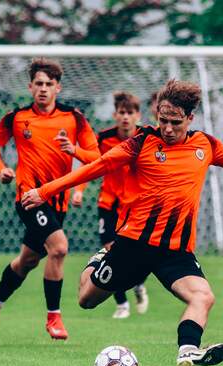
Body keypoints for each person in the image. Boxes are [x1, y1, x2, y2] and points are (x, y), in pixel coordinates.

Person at [22, 79, 223, 366]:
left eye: (175, 122)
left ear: (190, 118)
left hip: (175, 251)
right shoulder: (140, 143)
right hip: (134, 246)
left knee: (203, 296)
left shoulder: (205, 145)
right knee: (86, 299)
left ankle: (188, 351)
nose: (167, 128)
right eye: (162, 120)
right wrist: (44, 192)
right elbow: (95, 167)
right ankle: (100, 258)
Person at [0, 58, 100, 342]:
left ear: (58, 88)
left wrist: (74, 151)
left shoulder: (73, 118)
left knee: (28, 261)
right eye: (38, 83)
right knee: (59, 248)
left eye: (49, 84)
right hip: (29, 197)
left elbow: (96, 158)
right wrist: (1, 169)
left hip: (57, 202)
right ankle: (54, 317)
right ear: (30, 87)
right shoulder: (17, 118)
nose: (43, 89)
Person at [96, 91, 149, 319]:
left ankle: (138, 283)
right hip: (108, 202)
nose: (125, 117)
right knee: (111, 251)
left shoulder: (147, 137)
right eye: (121, 112)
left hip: (136, 205)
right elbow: (90, 164)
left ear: (138, 115)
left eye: (130, 112)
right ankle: (122, 304)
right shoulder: (103, 138)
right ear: (115, 115)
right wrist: (78, 191)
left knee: (142, 254)